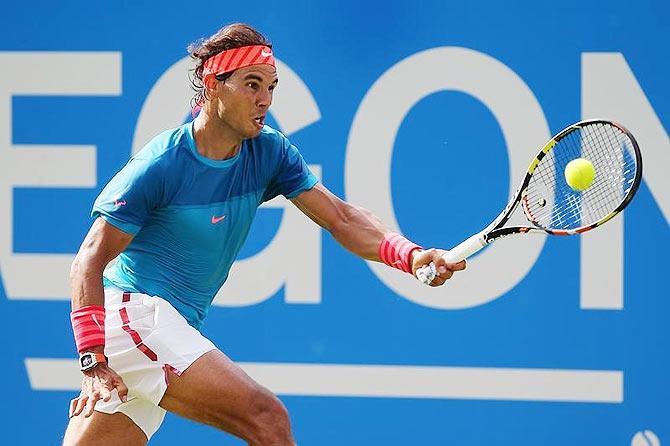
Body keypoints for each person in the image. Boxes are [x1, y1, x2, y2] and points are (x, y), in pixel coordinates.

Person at [63, 23, 466, 446]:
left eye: (271, 87)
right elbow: (87, 260)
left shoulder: (269, 152)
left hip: (165, 328)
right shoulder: (161, 164)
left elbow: (342, 219)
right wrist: (92, 359)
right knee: (266, 416)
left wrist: (412, 255)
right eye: (252, 84)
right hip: (133, 317)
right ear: (212, 84)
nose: (264, 100)